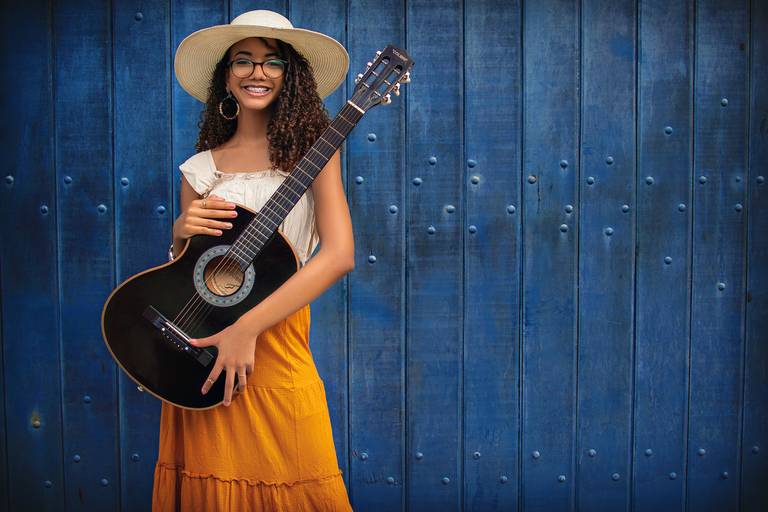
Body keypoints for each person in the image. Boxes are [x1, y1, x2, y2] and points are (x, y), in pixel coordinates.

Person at [152, 9, 354, 511]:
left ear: (291, 75)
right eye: (243, 60)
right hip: (205, 349)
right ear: (226, 76)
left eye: (272, 62)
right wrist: (178, 234)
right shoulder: (200, 169)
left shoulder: (314, 155)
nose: (256, 72)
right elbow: (188, 273)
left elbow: (339, 256)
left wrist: (247, 329)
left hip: (277, 342)